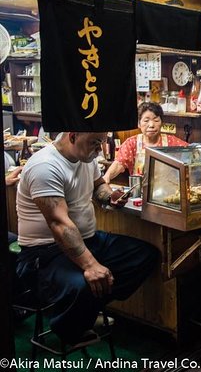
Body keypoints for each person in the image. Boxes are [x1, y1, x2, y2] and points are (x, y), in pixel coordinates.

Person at [15, 132, 159, 346]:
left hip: (88, 239)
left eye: (101, 142)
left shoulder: (86, 157)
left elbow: (99, 185)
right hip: (44, 253)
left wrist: (109, 196)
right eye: (95, 142)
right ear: (72, 137)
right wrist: (90, 265)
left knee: (144, 255)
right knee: (82, 284)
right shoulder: (44, 166)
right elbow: (59, 223)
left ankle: (86, 309)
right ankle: (67, 326)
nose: (100, 148)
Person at [103, 102, 188, 183]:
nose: (151, 125)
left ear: (162, 123)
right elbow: (118, 164)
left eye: (156, 120)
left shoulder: (172, 143)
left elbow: (190, 153)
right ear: (139, 124)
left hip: (168, 195)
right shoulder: (132, 143)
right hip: (139, 194)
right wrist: (105, 179)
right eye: (146, 120)